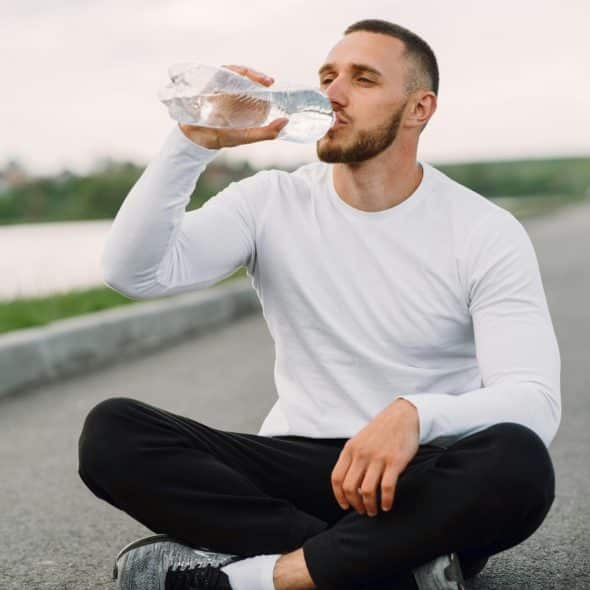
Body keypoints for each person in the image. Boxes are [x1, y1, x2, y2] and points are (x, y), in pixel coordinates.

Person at [77, 18, 560, 590]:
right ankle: (388, 566)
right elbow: (132, 272)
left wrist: (415, 414)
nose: (331, 93)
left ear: (418, 109)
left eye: (362, 78)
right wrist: (189, 146)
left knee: (518, 461)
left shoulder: (484, 230)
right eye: (328, 76)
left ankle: (256, 578)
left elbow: (534, 400)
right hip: (298, 469)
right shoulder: (270, 201)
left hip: (418, 474)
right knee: (112, 432)